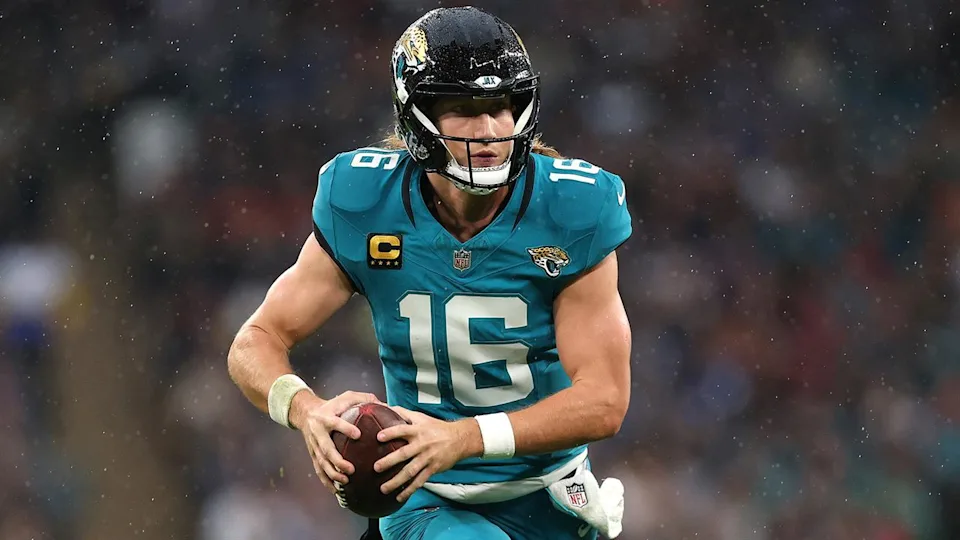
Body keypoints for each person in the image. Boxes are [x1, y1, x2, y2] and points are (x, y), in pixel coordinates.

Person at [227, 6, 632, 540]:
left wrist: (463, 438)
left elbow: (604, 401)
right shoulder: (366, 201)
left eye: (501, 106)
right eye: (464, 109)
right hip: (425, 495)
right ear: (416, 116)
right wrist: (306, 410)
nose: (489, 130)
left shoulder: (573, 209)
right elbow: (256, 339)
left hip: (549, 495)